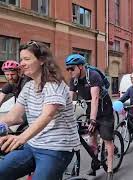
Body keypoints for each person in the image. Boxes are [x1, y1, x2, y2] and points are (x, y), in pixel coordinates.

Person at [0, 41, 80, 180]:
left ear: (42, 60)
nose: (21, 63)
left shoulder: (54, 84)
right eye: (21, 59)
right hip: (33, 145)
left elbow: (48, 114)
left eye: (27, 59)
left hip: (56, 148)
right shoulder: (29, 86)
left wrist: (20, 138)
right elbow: (14, 116)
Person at [65, 54, 115, 180]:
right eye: (68, 69)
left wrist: (93, 120)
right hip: (90, 109)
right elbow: (69, 100)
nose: (70, 71)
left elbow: (95, 98)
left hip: (104, 110)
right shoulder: (74, 80)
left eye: (72, 68)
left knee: (107, 139)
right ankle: (95, 163)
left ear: (81, 66)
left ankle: (110, 170)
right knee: (92, 138)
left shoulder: (93, 75)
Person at [0, 60, 31, 132]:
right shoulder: (11, 83)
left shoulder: (25, 83)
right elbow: (1, 98)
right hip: (21, 112)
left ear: (18, 73)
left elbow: (18, 117)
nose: (10, 77)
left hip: (29, 112)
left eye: (12, 74)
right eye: (7, 75)